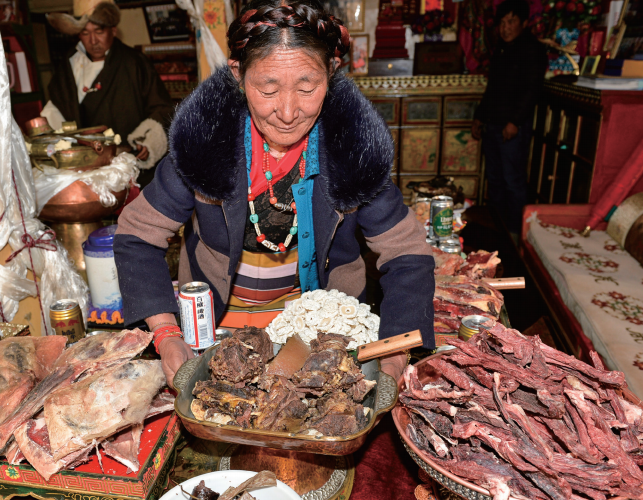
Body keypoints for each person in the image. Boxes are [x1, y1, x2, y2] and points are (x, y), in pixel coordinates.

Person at [113, 0, 436, 387]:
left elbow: (408, 254)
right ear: (238, 75)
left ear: (331, 74)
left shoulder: (352, 149)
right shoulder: (205, 143)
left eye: (307, 87)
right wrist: (166, 335)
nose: (287, 111)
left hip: (321, 334)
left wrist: (395, 352)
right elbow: (137, 236)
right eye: (267, 88)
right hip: (217, 328)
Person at [43, 0, 175, 178]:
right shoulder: (70, 63)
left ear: (113, 30)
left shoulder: (133, 62)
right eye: (85, 33)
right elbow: (58, 106)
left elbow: (161, 106)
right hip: (85, 162)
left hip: (128, 161)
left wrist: (148, 139)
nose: (93, 40)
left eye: (99, 31)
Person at [471, 0, 546, 237]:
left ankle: (516, 233)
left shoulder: (532, 49)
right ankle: (498, 230)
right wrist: (479, 118)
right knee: (495, 181)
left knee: (513, 181)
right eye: (502, 23)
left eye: (511, 22)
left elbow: (531, 90)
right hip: (493, 125)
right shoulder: (500, 50)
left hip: (513, 127)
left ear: (524, 23)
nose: (505, 28)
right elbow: (492, 89)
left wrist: (515, 121)